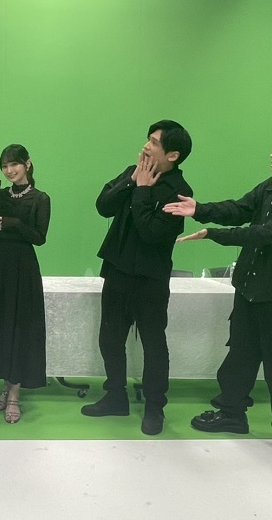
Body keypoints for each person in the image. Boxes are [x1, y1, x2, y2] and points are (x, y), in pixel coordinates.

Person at [163, 124, 272, 466]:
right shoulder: (271, 187)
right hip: (250, 289)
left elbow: (266, 234)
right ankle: (231, 413)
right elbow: (239, 208)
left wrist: (213, 233)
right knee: (240, 355)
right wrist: (200, 209)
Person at [81, 120, 193, 435]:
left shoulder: (180, 192)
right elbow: (103, 206)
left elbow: (152, 233)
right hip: (117, 270)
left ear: (172, 155)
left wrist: (143, 190)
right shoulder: (133, 172)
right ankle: (115, 396)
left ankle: (155, 407)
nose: (146, 146)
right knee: (110, 337)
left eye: (154, 142)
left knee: (153, 344)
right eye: (148, 139)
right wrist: (131, 182)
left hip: (150, 279)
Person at [0, 144, 50, 424]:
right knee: (0, 325)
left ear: (28, 164)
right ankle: (6, 386)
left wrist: (14, 223)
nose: (9, 170)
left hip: (21, 267)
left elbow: (39, 237)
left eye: (14, 164)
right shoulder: (1, 194)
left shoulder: (40, 198)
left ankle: (14, 394)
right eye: (4, 166)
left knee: (18, 327)